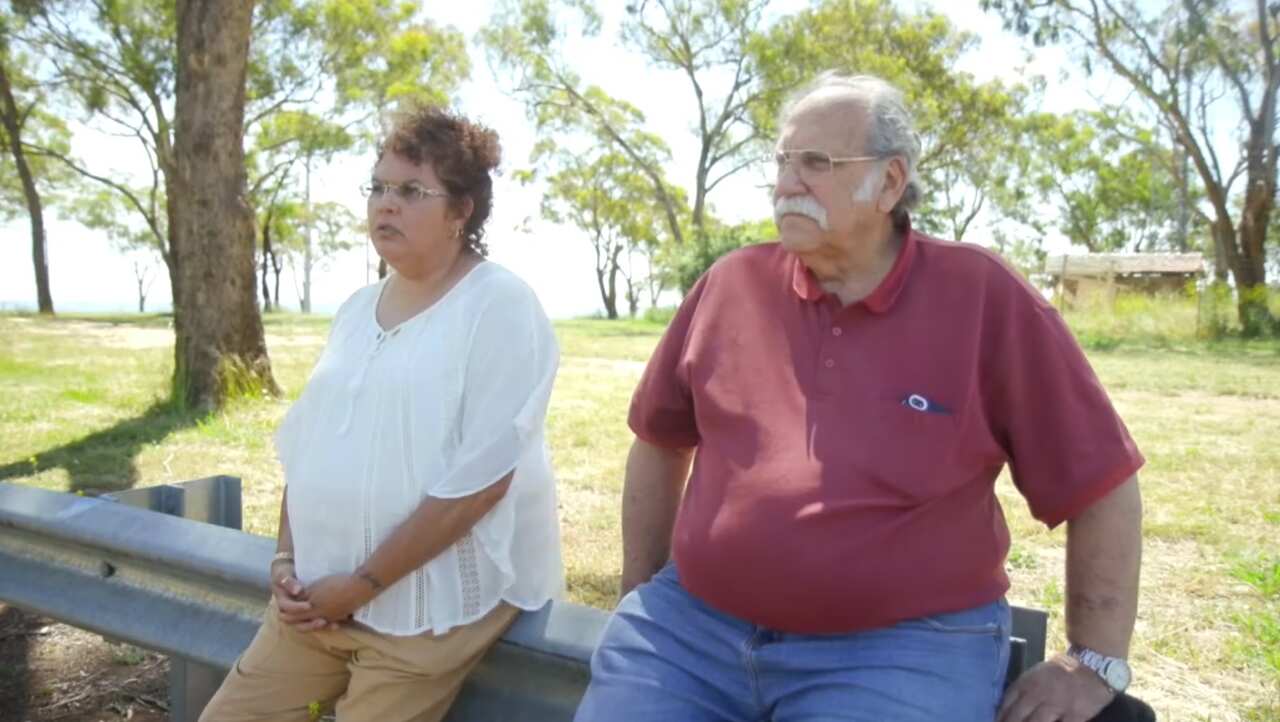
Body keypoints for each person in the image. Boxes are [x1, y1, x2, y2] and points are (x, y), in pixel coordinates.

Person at [574, 71, 1145, 722]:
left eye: (817, 162)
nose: (788, 180)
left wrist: (1097, 658)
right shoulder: (732, 284)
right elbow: (659, 439)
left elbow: (1101, 480)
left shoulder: (982, 296)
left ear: (891, 182)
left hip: (901, 649)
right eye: (783, 161)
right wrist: (640, 591)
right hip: (691, 632)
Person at [200, 106, 563, 722]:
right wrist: (288, 562)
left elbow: (480, 483)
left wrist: (364, 583)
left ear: (461, 211)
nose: (385, 205)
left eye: (411, 191)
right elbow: (312, 446)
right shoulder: (356, 309)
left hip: (425, 615)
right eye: (379, 188)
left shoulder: (499, 306)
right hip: (315, 605)